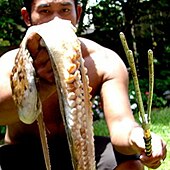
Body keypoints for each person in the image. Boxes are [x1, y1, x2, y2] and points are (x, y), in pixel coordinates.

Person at [0, 0, 167, 169]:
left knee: (129, 162)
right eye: (45, 11)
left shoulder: (104, 62)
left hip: (80, 150)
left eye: (65, 10)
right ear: (27, 17)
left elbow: (121, 123)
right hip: (24, 154)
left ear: (78, 13)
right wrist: (43, 87)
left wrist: (136, 136)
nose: (56, 21)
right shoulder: (9, 65)